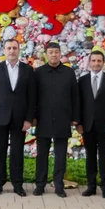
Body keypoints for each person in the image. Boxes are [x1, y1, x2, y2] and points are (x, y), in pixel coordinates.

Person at [0, 39, 36, 197]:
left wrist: (29, 119)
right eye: (9, 48)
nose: (12, 51)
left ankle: (18, 184)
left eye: (14, 48)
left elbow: (31, 97)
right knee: (0, 152)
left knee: (17, 152)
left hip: (19, 119)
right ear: (4, 50)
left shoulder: (28, 70)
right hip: (0, 118)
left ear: (19, 50)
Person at [33, 42, 79, 197]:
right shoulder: (38, 72)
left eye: (56, 52)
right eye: (51, 52)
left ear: (60, 54)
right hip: (43, 119)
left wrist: (75, 118)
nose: (54, 55)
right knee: (41, 155)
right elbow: (33, 96)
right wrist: (32, 117)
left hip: (62, 118)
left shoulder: (69, 72)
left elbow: (75, 96)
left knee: (60, 156)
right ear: (46, 54)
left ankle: (59, 185)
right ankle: (40, 184)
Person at [78, 51, 105, 199]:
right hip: (87, 126)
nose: (96, 63)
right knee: (90, 156)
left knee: (104, 157)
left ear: (103, 63)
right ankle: (91, 186)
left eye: (99, 61)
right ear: (89, 62)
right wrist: (78, 123)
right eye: (93, 61)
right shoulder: (82, 81)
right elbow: (79, 104)